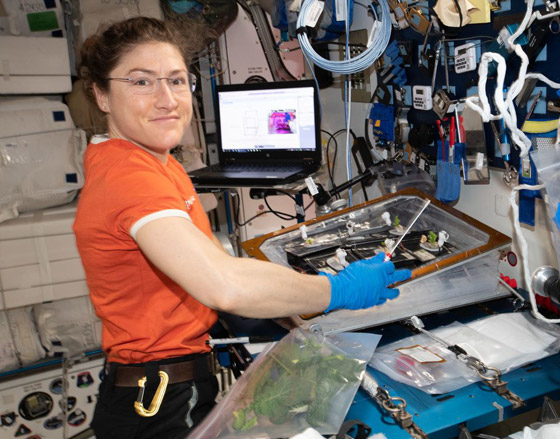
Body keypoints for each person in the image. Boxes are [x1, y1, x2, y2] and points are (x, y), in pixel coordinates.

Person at [73, 16, 411, 439]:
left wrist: (283, 303)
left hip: (166, 386)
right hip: (156, 407)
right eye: (142, 82)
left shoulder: (153, 160)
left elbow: (211, 260)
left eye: (176, 81)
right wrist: (337, 289)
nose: (167, 100)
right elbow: (224, 284)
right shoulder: (129, 177)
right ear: (102, 95)